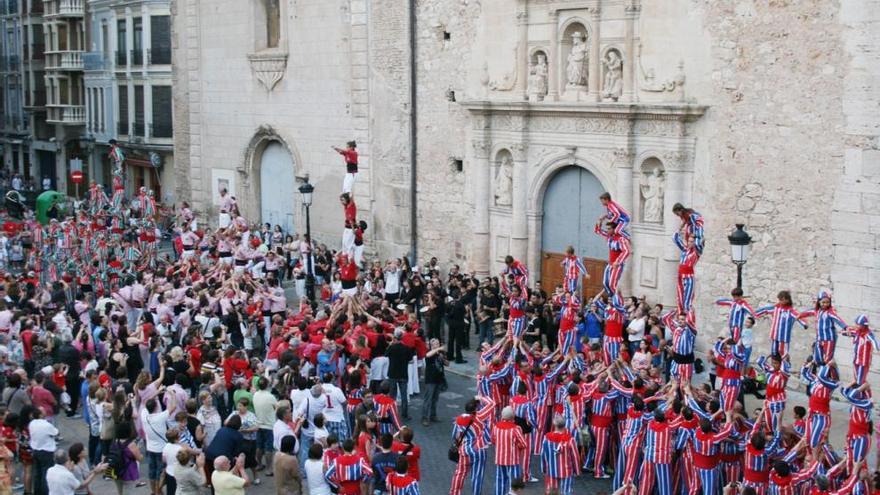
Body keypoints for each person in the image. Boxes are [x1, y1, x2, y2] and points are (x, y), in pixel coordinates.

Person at [385, 330, 414, 420]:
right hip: (403, 374)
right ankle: (405, 414)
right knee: (404, 395)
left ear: (394, 338)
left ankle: (391, 412)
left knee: (392, 395)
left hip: (393, 373)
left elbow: (386, 355)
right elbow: (411, 360)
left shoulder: (391, 347)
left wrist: (390, 344)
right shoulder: (406, 348)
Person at [30, 407, 58, 495]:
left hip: (35, 449)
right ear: (40, 415)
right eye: (43, 412)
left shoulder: (31, 423)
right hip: (46, 451)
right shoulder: (46, 424)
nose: (45, 412)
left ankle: (37, 492)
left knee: (37, 473)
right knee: (46, 473)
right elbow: (56, 432)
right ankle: (46, 492)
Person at [252, 376, 278, 474]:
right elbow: (277, 408)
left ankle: (258, 464)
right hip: (269, 425)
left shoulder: (255, 395)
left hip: (259, 424)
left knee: (259, 446)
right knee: (268, 448)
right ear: (267, 385)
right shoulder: (270, 396)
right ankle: (268, 468)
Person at [421, 339, 446, 426]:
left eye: (438, 344)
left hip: (438, 379)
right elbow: (427, 355)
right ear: (431, 345)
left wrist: (444, 360)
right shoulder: (430, 353)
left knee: (435, 399)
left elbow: (447, 363)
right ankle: (425, 417)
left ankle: (433, 415)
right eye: (434, 344)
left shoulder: (440, 353)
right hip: (430, 380)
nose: (437, 345)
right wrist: (437, 349)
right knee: (428, 399)